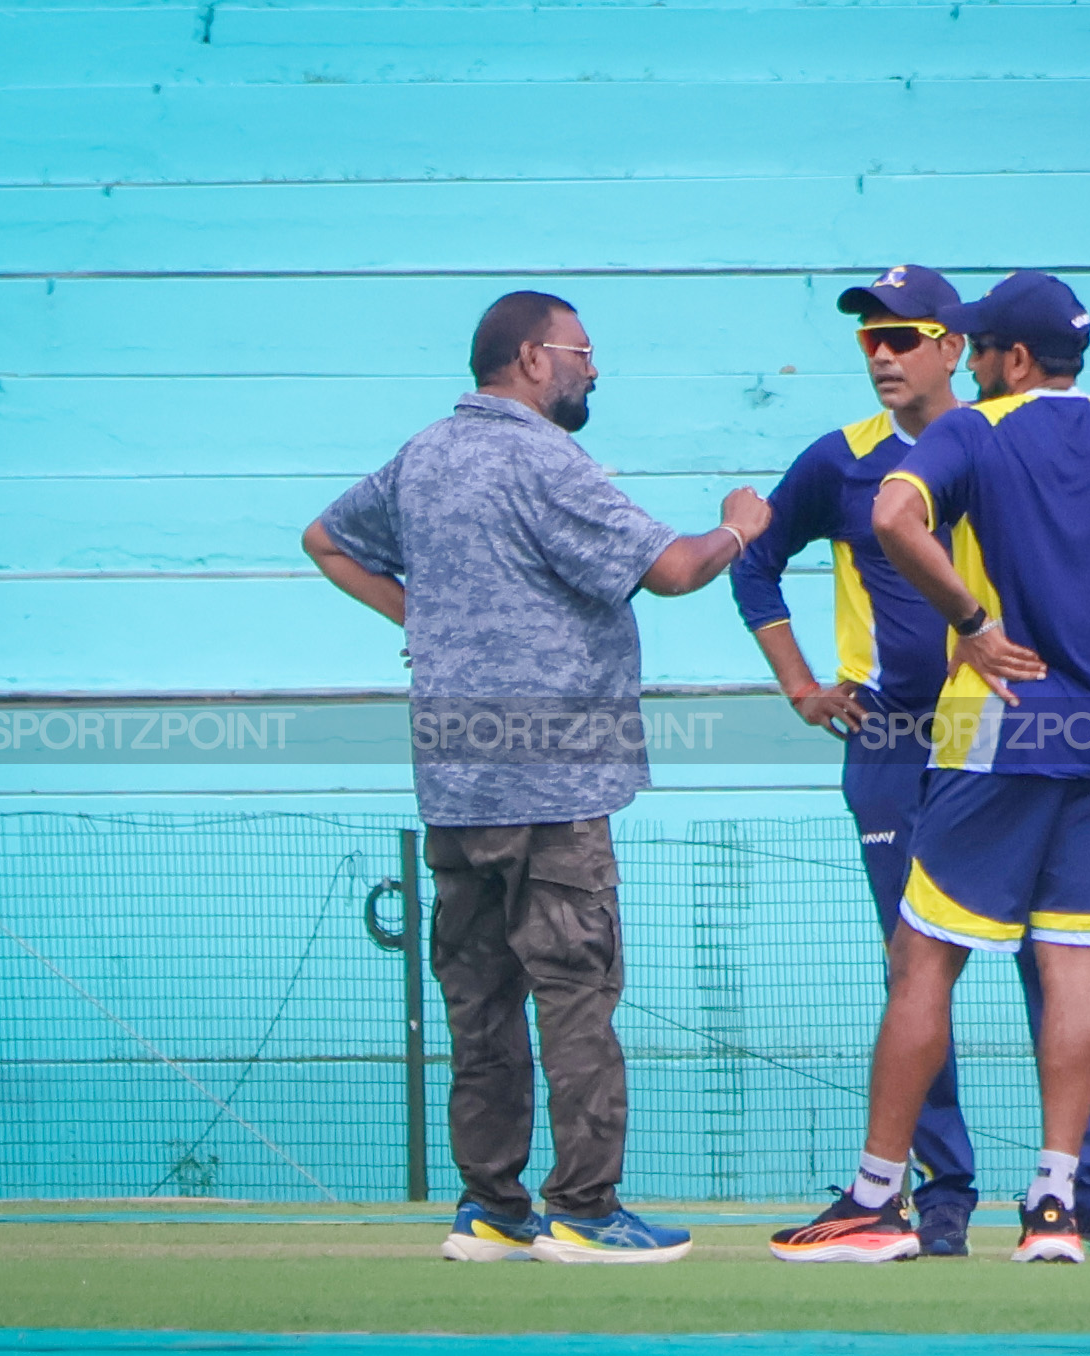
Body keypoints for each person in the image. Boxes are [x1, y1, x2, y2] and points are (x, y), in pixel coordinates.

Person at [767, 271, 1090, 1264]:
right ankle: (1054, 1203)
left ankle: (879, 1200)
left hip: (1001, 726)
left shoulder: (972, 432)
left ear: (1009, 359)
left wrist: (970, 625)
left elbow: (891, 518)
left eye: (977, 351)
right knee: (1070, 963)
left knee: (925, 958)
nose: (968, 365)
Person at [303, 290, 773, 1264]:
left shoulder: (423, 455)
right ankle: (586, 1212)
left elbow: (326, 541)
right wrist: (737, 527)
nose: (594, 369)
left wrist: (425, 627)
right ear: (529, 357)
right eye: (582, 351)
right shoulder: (544, 460)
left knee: (478, 1002)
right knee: (576, 995)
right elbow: (675, 570)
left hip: (454, 780)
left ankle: (490, 1209)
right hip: (553, 785)